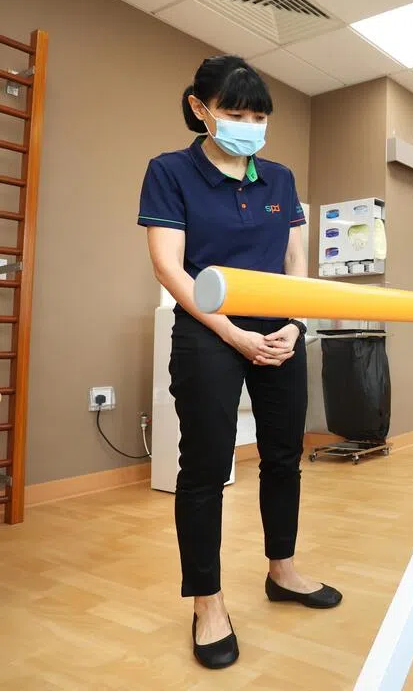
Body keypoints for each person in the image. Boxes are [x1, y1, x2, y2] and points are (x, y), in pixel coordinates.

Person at [139, 55, 341, 670]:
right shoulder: (170, 171)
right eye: (235, 113)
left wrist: (295, 323)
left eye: (259, 116)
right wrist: (231, 332)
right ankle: (207, 603)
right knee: (204, 467)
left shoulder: (279, 178)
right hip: (208, 329)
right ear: (200, 109)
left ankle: (282, 569)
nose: (249, 126)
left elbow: (296, 259)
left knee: (283, 455)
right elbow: (169, 266)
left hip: (279, 327)